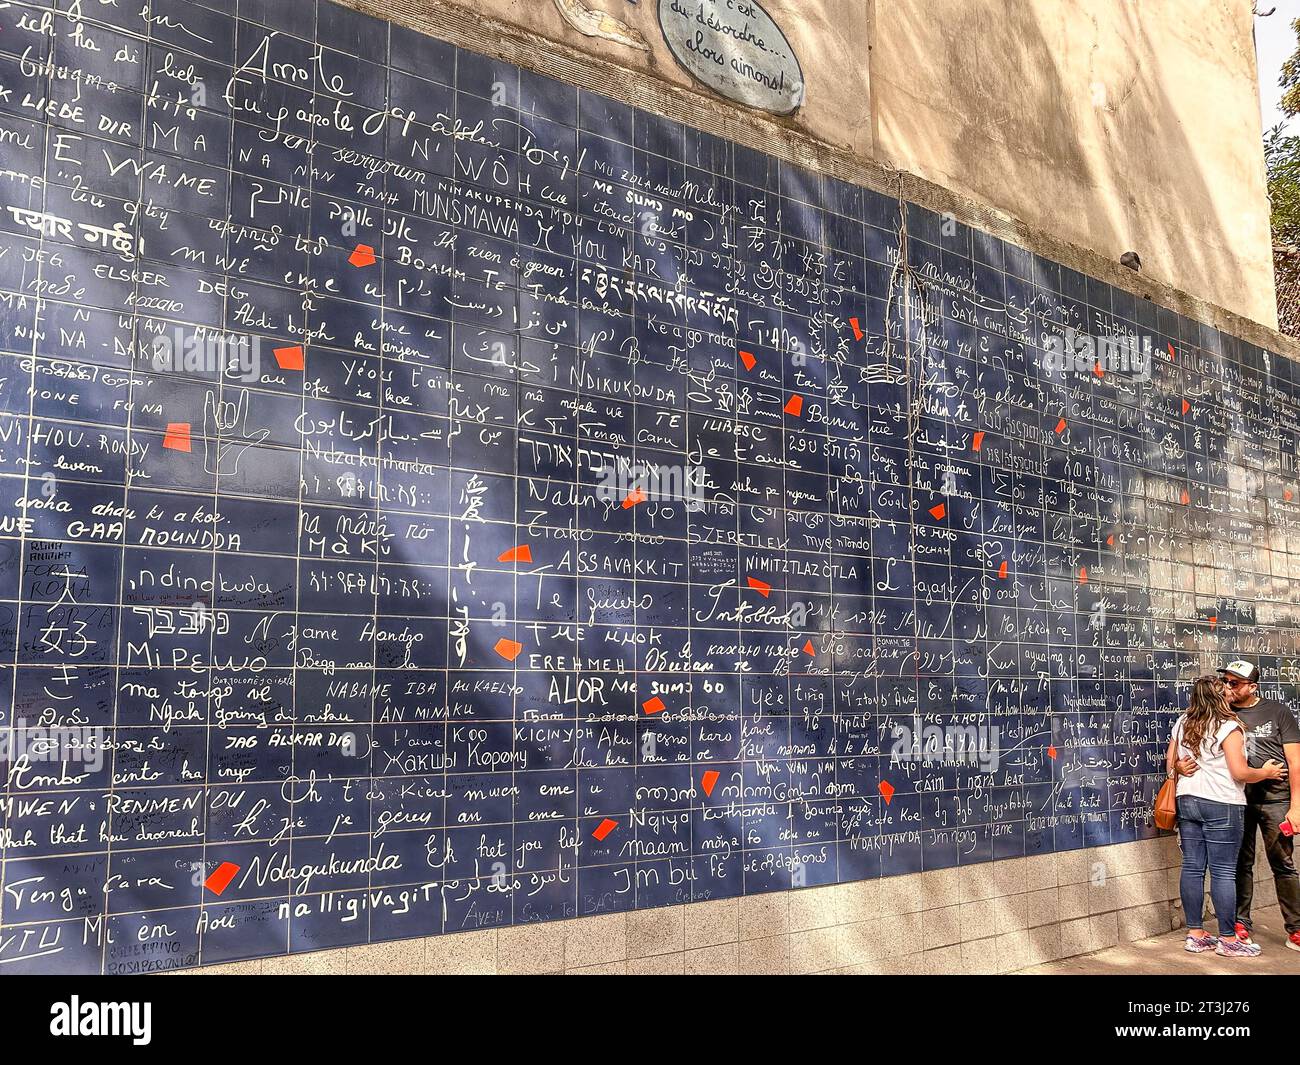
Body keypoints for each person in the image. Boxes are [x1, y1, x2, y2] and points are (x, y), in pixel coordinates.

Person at [1166, 674, 1286, 956]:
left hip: (1187, 799)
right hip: (1222, 802)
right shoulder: (1229, 726)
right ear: (1219, 696)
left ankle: (1195, 934)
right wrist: (1266, 772)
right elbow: (1240, 772)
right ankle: (1229, 939)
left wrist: (1180, 768)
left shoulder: (1184, 722)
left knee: (1193, 867)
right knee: (1223, 871)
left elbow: (1170, 760)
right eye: (1227, 688)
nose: (1232, 690)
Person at [1214, 661, 1300, 950]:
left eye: (1234, 683)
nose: (1228, 687)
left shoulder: (1277, 712)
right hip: (1236, 800)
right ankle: (1241, 923)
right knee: (1241, 864)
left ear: (1253, 687)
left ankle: (1296, 929)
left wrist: (1296, 806)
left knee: (1284, 865)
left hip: (1277, 800)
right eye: (1226, 681)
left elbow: (1295, 762)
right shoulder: (1221, 713)